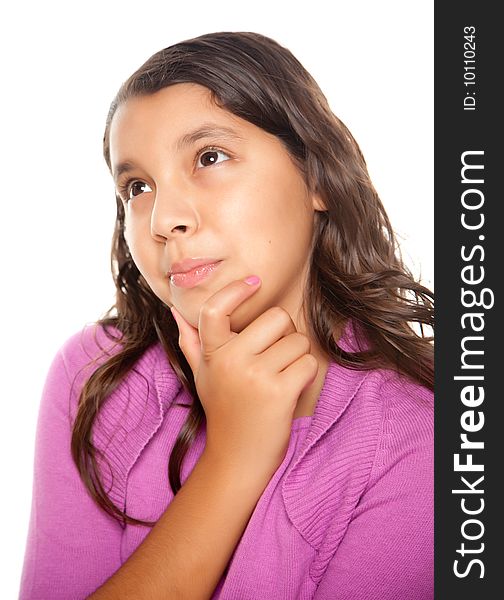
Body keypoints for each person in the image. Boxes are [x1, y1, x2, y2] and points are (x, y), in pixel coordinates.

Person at [19, 31, 434, 599]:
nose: (164, 218)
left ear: (316, 177)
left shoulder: (424, 436)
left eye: (209, 157)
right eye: (137, 187)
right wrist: (234, 459)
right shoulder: (95, 376)